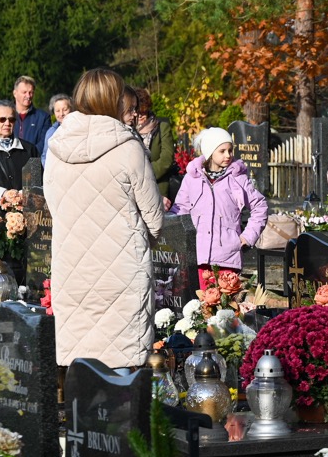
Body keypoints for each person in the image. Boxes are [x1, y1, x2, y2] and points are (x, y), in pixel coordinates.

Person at [46, 68, 165, 368]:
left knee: (79, 373)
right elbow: (155, 219)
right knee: (122, 373)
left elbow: (54, 205)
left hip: (71, 270)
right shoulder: (128, 147)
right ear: (114, 99)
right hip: (122, 275)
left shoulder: (57, 146)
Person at [171, 127, 269, 275]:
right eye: (222, 151)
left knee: (226, 292)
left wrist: (248, 236)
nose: (228, 155)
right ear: (210, 152)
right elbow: (180, 211)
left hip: (227, 256)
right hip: (197, 255)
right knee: (200, 291)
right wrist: (178, 242)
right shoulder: (192, 178)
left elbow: (260, 206)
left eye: (230, 150)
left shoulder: (238, 178)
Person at [135, 88, 177, 207]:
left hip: (159, 185)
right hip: (136, 188)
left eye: (144, 111)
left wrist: (146, 174)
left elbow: (167, 158)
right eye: (138, 112)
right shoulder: (128, 130)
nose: (141, 116)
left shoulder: (162, 126)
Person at [12, 76, 52, 160]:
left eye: (31, 92)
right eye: (24, 92)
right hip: (9, 161)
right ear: (15, 93)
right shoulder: (5, 117)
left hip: (33, 161)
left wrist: (29, 156)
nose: (28, 96)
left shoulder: (43, 117)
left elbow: (44, 142)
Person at [0, 100, 31, 191]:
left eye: (11, 119)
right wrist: (3, 194)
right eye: (2, 119)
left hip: (25, 199)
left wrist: (21, 195)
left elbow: (37, 181)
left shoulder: (29, 149)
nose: (7, 123)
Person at [41, 94, 73, 165]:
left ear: (71, 109)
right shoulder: (51, 132)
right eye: (58, 111)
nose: (61, 114)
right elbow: (45, 156)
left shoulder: (78, 128)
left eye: (65, 110)